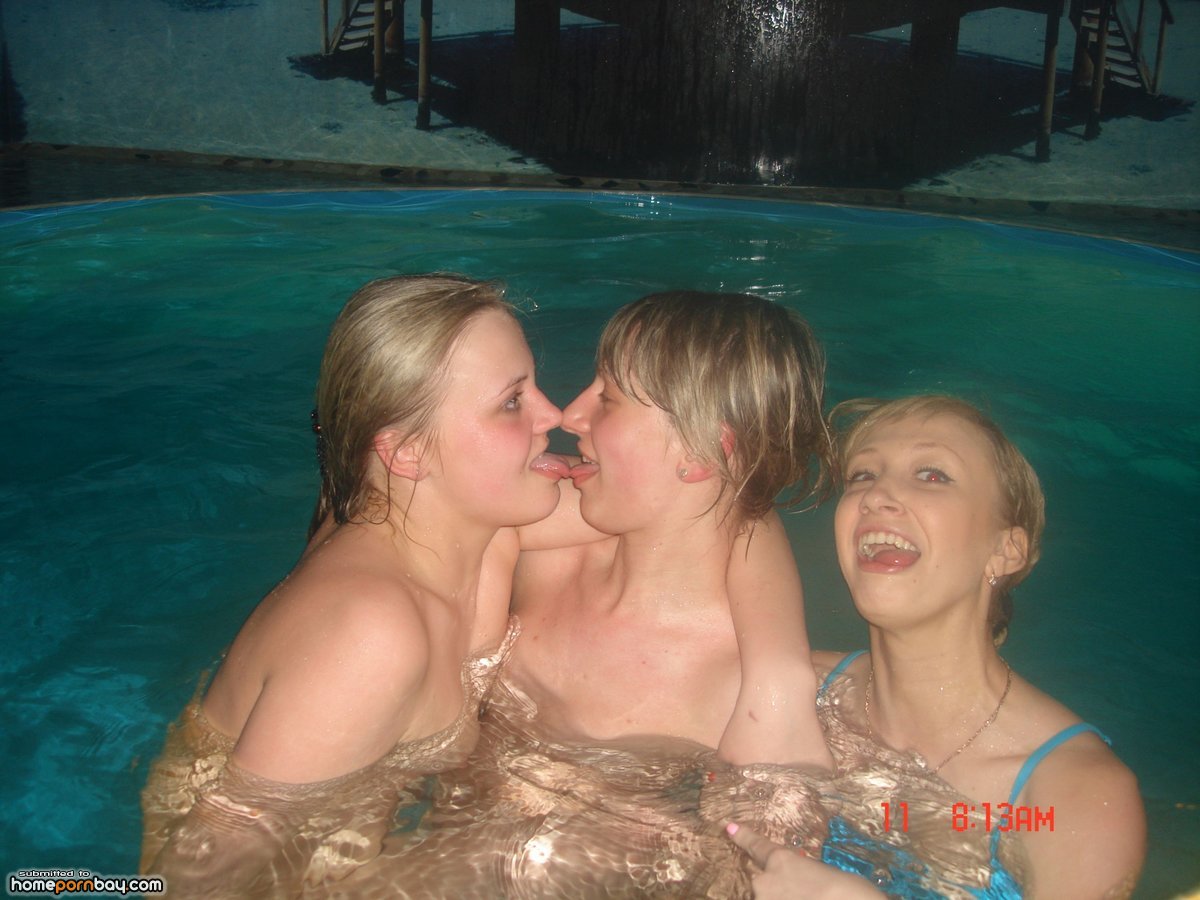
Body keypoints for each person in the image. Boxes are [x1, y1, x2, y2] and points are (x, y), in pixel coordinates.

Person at [331, 289, 837, 896]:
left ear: (704, 450)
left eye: (609, 399)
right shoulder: (553, 541)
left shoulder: (737, 693)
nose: (570, 415)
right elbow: (393, 512)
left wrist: (779, 680)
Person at [140, 274, 566, 894]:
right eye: (512, 401)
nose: (554, 414)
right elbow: (187, 882)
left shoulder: (471, 524)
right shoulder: (368, 634)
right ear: (407, 453)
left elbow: (673, 512)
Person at [727, 395, 1146, 899]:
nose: (876, 495)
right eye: (862, 475)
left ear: (1005, 550)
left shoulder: (1072, 795)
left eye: (932, 475)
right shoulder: (788, 695)